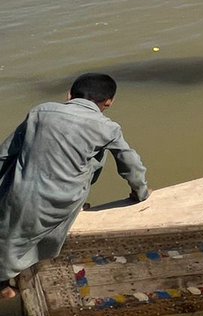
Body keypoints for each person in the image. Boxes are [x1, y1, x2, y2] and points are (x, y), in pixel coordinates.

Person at [0, 74, 150, 298]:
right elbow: (130, 164)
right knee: (94, 155)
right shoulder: (107, 127)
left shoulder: (41, 112)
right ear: (109, 102)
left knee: (10, 233)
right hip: (63, 201)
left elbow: (5, 155)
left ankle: (4, 283)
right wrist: (141, 193)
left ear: (69, 94)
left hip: (19, 193)